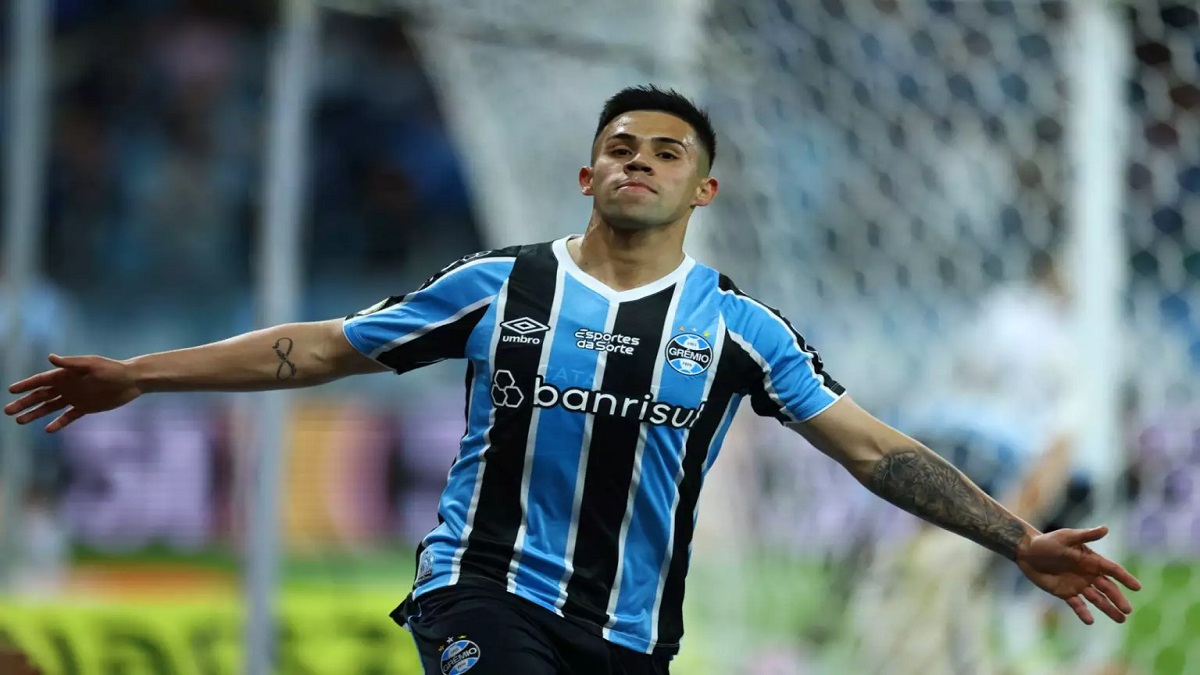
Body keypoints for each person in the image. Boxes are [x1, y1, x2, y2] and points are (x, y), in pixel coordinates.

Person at [4, 85, 1141, 675]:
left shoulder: (742, 328)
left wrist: (1016, 539)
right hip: (482, 590)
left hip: (631, 633)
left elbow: (872, 448)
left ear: (703, 191)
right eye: (623, 145)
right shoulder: (498, 286)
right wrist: (141, 377)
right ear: (588, 168)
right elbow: (324, 347)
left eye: (667, 152)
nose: (639, 160)